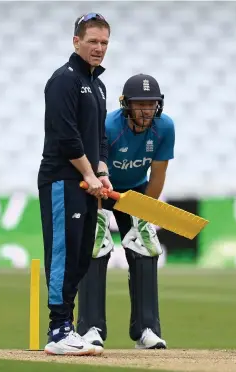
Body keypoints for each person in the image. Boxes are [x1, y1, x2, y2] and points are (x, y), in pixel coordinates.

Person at [76, 74, 175, 353]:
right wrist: (97, 213)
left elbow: (157, 175)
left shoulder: (165, 127)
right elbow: (96, 167)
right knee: (96, 246)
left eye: (151, 104)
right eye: (139, 104)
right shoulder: (108, 125)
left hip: (133, 193)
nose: (146, 111)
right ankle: (89, 328)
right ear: (126, 105)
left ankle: (147, 330)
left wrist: (145, 211)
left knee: (145, 247)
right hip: (99, 190)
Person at [37, 12, 113, 356]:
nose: (99, 48)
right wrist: (87, 174)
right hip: (61, 181)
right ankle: (57, 331)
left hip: (85, 183)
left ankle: (67, 327)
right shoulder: (63, 80)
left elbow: (98, 137)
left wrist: (102, 171)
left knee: (82, 257)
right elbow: (66, 137)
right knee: (63, 255)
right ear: (76, 41)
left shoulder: (98, 85)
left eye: (104, 43)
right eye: (93, 41)